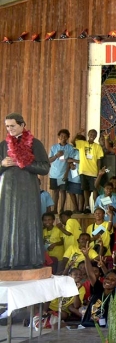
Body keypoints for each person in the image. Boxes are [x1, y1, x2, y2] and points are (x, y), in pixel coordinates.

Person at [0, 113, 50, 270]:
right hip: (7, 190)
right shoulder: (3, 145)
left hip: (28, 190)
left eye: (13, 126)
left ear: (22, 125)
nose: (10, 129)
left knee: (27, 221)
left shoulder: (35, 143)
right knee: (6, 222)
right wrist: (2, 164)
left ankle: (30, 259)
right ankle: (6, 260)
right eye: (7, 126)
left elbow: (44, 168)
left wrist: (23, 163)